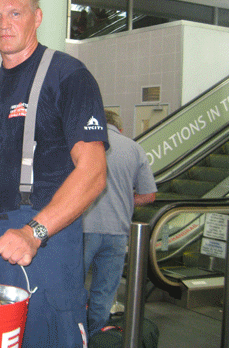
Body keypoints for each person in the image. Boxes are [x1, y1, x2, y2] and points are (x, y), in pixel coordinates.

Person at [0, 0, 108, 348]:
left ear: (37, 17)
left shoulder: (69, 76)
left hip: (42, 240)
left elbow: (93, 174)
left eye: (15, 12)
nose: (4, 24)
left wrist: (34, 233)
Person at [83, 110, 156, 337]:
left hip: (83, 228)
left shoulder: (84, 144)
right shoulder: (135, 148)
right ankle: (96, 337)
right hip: (118, 231)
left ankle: (72, 336)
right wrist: (126, 197)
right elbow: (149, 195)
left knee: (72, 286)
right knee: (104, 293)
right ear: (120, 129)